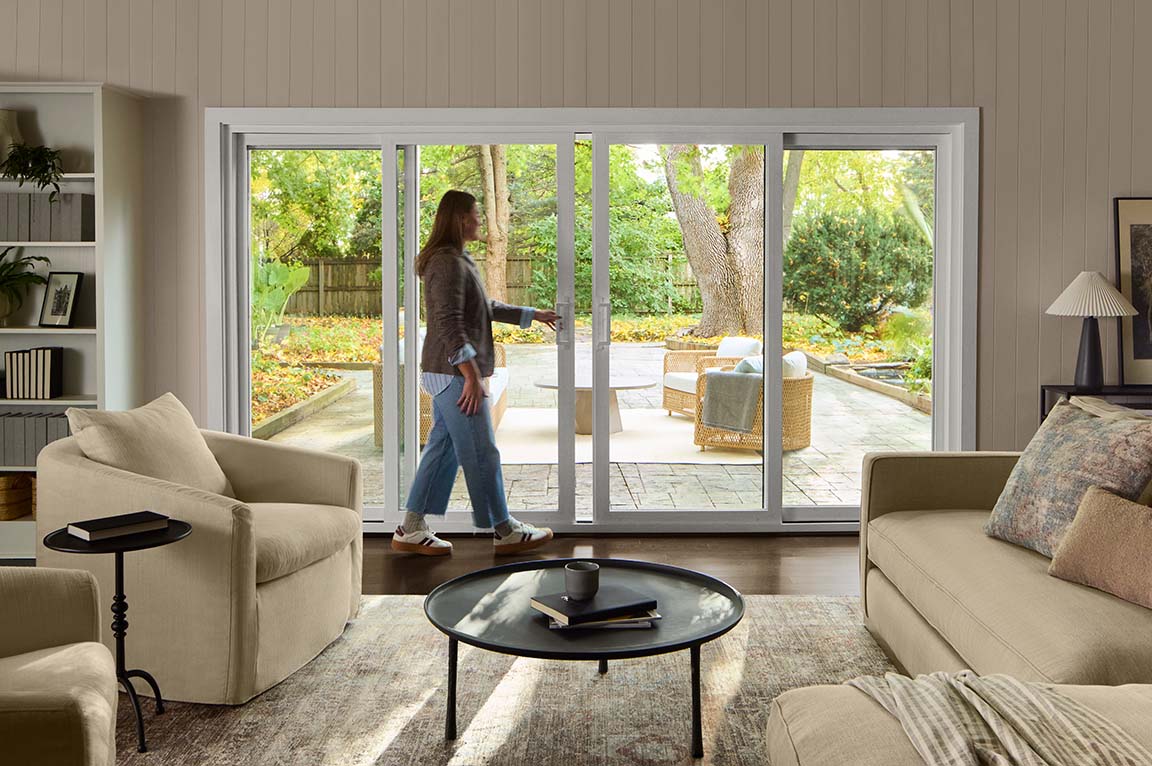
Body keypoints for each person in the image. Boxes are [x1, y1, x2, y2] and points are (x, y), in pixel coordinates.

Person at [392, 190, 560, 557]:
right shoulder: (446, 262)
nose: (480, 219)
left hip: (448, 372)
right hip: (453, 374)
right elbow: (448, 322)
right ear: (459, 219)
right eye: (475, 213)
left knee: (442, 449)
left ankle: (411, 528)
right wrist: (470, 375)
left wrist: (532, 315)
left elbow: (484, 307)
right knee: (482, 452)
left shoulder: (458, 259)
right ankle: (504, 529)